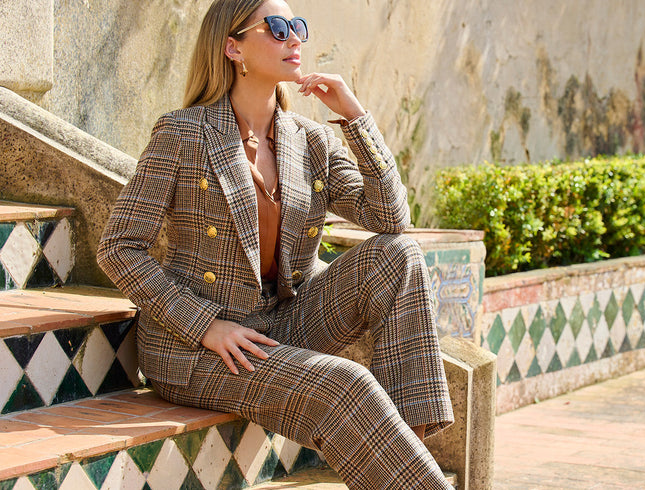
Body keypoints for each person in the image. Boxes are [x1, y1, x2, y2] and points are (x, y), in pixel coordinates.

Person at [97, 0, 454, 487]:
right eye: (278, 27)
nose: (295, 38)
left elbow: (391, 219)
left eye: (299, 26)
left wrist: (355, 117)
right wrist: (206, 326)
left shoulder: (310, 140)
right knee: (344, 386)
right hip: (196, 348)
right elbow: (119, 247)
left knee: (399, 256)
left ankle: (404, 457)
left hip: (281, 324)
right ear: (232, 47)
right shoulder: (185, 133)